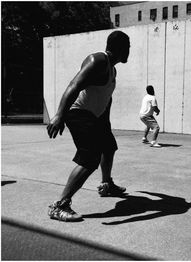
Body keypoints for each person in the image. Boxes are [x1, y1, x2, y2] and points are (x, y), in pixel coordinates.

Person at [46, 30, 130, 222]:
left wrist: (105, 124)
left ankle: (106, 184)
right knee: (90, 158)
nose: (129, 52)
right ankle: (59, 205)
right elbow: (74, 85)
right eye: (128, 48)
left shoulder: (112, 70)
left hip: (96, 117)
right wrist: (59, 114)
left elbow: (105, 99)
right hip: (77, 113)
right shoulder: (98, 60)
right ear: (121, 49)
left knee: (109, 147)